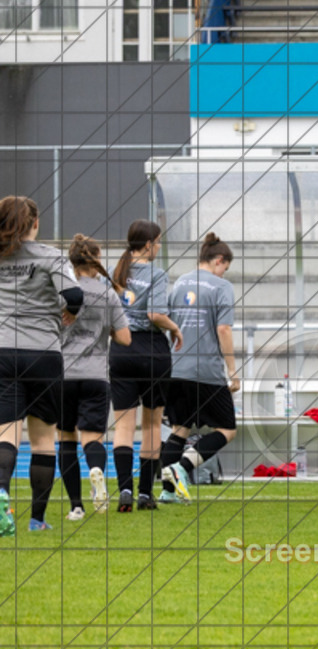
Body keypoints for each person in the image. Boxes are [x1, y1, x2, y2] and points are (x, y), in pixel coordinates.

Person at [0, 196, 84, 534]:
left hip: (4, 350)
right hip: (44, 354)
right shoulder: (50, 256)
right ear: (35, 223)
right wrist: (70, 313)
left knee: (6, 432)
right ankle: (37, 520)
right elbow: (75, 296)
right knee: (43, 440)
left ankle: (1, 497)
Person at [109, 220, 183, 512]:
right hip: (152, 351)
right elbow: (155, 314)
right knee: (152, 425)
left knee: (124, 427)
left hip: (121, 350)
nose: (160, 246)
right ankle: (144, 494)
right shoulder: (156, 274)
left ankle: (124, 489)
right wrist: (175, 328)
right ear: (149, 243)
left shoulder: (116, 272)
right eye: (159, 241)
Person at [161, 233, 240, 504]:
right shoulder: (221, 286)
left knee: (179, 428)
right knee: (227, 429)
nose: (224, 272)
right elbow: (224, 328)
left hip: (176, 367)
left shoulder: (180, 283)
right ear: (219, 260)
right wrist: (232, 370)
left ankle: (167, 491)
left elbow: (169, 325)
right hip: (205, 369)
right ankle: (181, 468)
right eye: (225, 267)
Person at [58, 235, 132, 519]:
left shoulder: (62, 292)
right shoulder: (107, 293)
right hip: (96, 375)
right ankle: (96, 470)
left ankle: (76, 506)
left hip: (63, 373)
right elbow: (125, 338)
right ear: (96, 260)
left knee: (66, 438)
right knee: (93, 437)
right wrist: (106, 330)